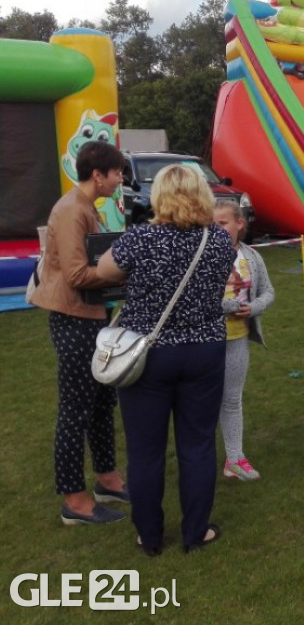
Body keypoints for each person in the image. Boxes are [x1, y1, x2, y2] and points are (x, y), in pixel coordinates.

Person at [97, 164, 236, 554]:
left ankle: (150, 534)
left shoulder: (140, 238)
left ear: (159, 196)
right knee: (197, 444)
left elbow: (104, 270)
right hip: (204, 350)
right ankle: (196, 532)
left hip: (147, 354)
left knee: (145, 450)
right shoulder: (219, 241)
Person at [29, 140, 129, 526]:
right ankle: (75, 500)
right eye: (117, 172)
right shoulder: (72, 211)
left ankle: (108, 480)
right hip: (74, 318)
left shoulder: (89, 207)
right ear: (98, 174)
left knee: (104, 400)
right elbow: (75, 274)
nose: (120, 179)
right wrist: (123, 272)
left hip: (93, 315)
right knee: (75, 410)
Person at [213, 199, 276, 481]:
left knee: (232, 399)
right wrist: (226, 306)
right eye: (211, 224)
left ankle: (235, 459)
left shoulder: (251, 256)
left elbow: (268, 292)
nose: (217, 229)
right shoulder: (202, 255)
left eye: (222, 223)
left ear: (240, 224)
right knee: (202, 401)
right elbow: (194, 298)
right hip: (205, 340)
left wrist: (256, 307)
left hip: (237, 339)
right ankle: (198, 460)